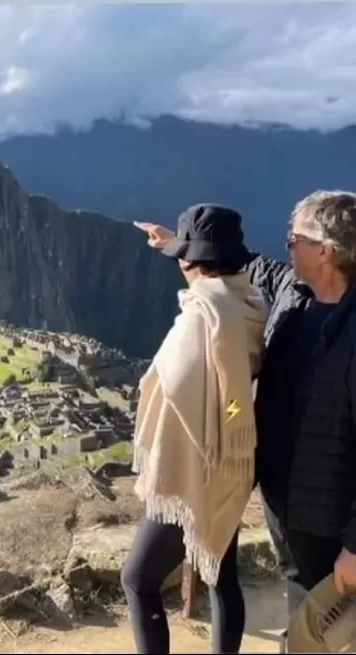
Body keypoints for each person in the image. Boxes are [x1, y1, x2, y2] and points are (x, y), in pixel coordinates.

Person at [137, 190, 356, 651]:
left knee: (332, 629)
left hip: (332, 513)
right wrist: (183, 242)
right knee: (304, 624)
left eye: (294, 237)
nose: (287, 244)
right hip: (285, 501)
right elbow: (239, 262)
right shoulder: (294, 294)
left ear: (326, 251)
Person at [122, 203, 267, 654]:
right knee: (220, 572)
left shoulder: (200, 318)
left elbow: (175, 388)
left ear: (192, 262)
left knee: (138, 579)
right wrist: (175, 242)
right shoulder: (250, 305)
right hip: (235, 460)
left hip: (191, 466)